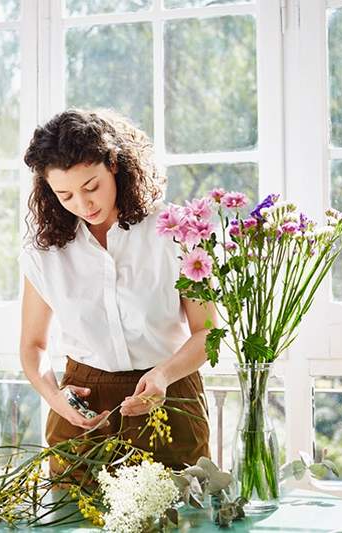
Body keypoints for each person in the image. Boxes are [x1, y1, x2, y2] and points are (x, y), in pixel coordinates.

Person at [18, 108, 213, 473]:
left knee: (180, 525)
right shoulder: (46, 253)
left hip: (168, 399)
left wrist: (163, 376)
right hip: (83, 409)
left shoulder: (173, 232)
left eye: (91, 187)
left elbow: (208, 332)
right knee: (73, 524)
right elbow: (33, 346)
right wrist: (54, 397)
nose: (83, 204)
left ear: (115, 165)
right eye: (65, 194)